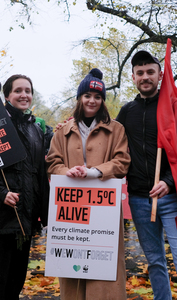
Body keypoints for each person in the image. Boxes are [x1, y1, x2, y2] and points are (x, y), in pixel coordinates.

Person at [116, 50, 177, 300]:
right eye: (140, 73)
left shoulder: (176, 107)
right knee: (154, 262)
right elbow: (106, 139)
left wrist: (167, 181)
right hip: (140, 201)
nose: (145, 77)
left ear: (160, 75)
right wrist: (68, 126)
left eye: (150, 72)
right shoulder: (127, 112)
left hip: (173, 200)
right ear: (133, 77)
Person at [46, 68, 130, 300]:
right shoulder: (62, 131)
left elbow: (122, 163)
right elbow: (52, 163)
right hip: (72, 210)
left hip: (104, 210)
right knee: (73, 262)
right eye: (87, 96)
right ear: (79, 98)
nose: (92, 101)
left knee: (105, 264)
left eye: (97, 97)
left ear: (102, 101)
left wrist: (94, 172)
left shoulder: (116, 129)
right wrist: (67, 171)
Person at [0, 74, 49, 300]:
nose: (24, 95)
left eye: (28, 90)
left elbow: (39, 172)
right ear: (6, 95)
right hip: (1, 217)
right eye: (18, 90)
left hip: (26, 217)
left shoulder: (35, 129)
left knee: (17, 279)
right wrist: (1, 193)